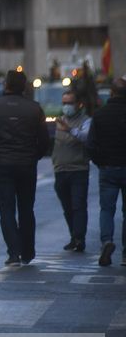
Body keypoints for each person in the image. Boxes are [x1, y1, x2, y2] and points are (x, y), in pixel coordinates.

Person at [0, 69, 50, 266]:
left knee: (6, 210)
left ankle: (13, 252)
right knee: (27, 209)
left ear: (6, 85)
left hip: (2, 165)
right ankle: (28, 251)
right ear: (24, 86)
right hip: (27, 165)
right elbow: (44, 141)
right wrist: (33, 157)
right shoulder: (34, 109)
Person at [88, 77, 126, 266]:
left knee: (107, 209)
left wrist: (99, 162)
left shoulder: (100, 115)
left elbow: (91, 144)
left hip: (108, 168)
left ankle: (107, 241)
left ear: (111, 93)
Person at [52, 89, 92, 252]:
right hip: (60, 170)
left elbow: (86, 137)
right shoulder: (58, 121)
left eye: (70, 103)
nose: (66, 106)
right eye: (64, 103)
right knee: (67, 207)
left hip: (78, 170)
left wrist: (69, 129)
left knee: (78, 206)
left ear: (78, 104)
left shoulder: (86, 121)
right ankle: (73, 236)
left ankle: (79, 238)